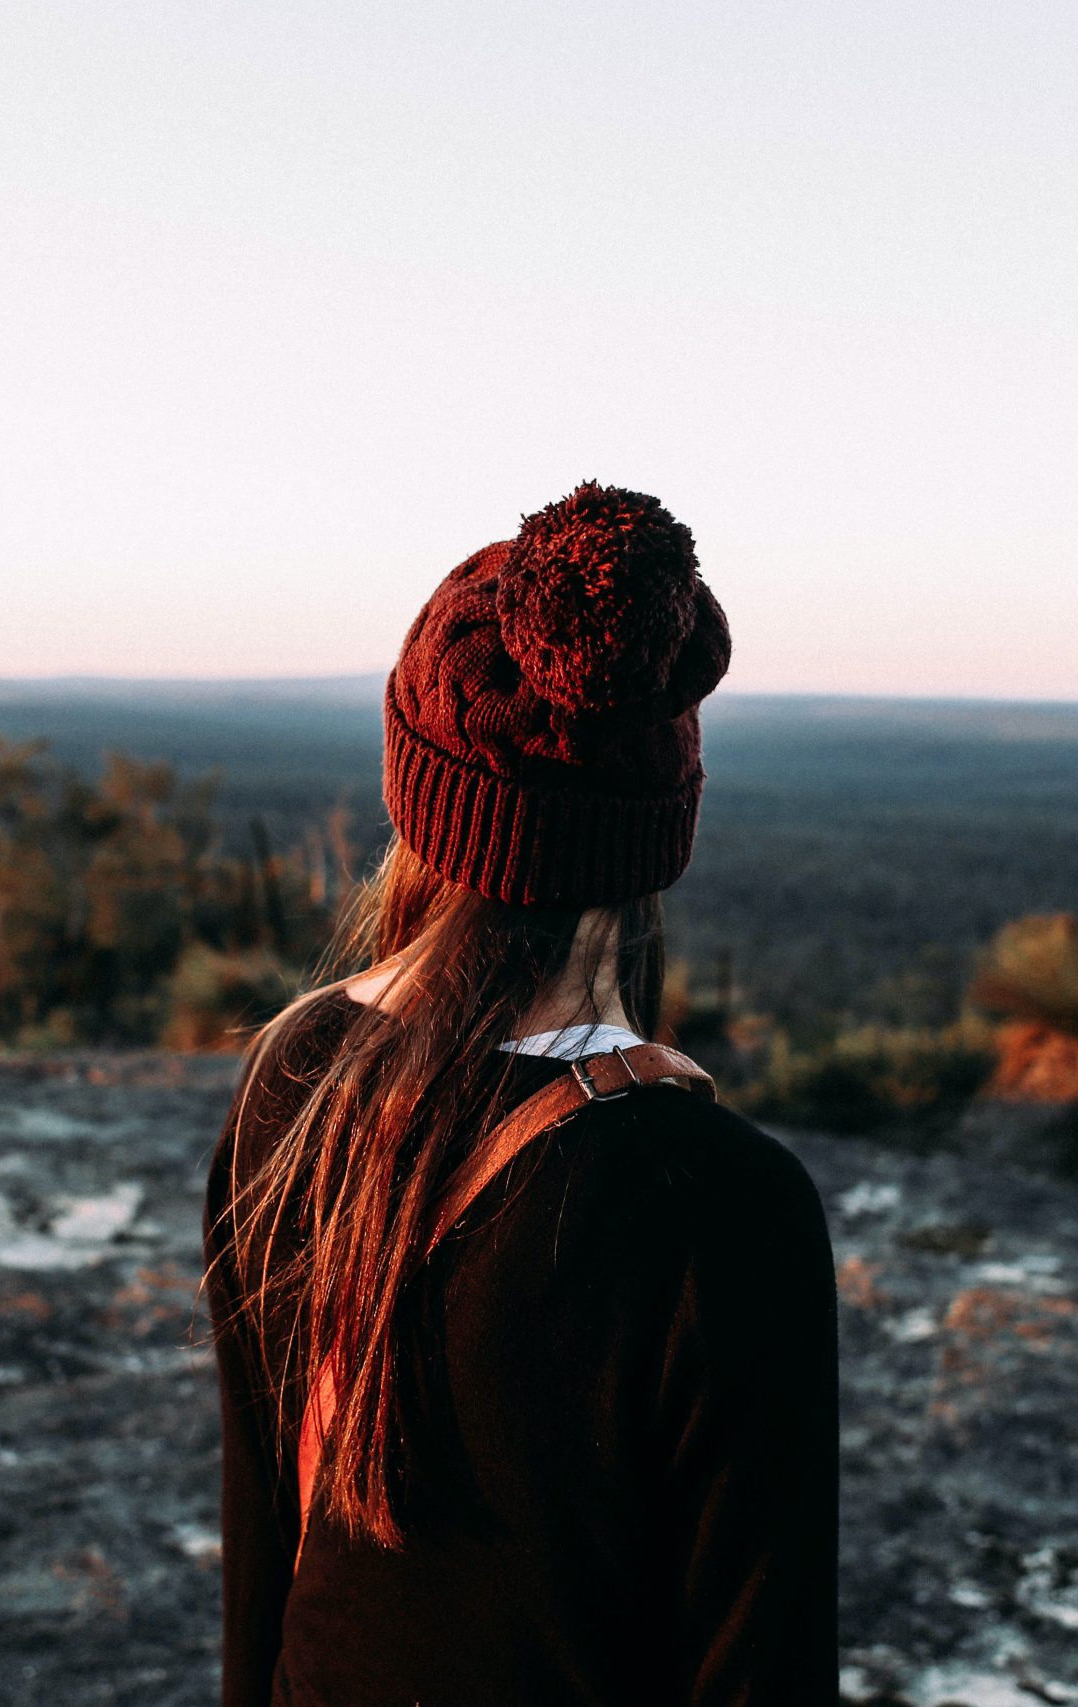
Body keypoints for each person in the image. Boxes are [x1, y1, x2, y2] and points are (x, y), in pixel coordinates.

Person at [202, 483, 839, 1705]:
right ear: (658, 835)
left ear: (415, 793)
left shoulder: (289, 1083)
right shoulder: (720, 1207)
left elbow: (264, 1569)